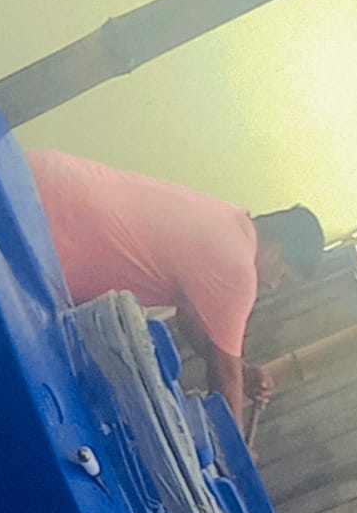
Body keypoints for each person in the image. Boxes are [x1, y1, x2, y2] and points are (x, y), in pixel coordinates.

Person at [27, 148, 325, 427]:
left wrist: (244, 371)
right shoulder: (238, 268)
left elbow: (191, 318)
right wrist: (236, 450)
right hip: (43, 230)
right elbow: (224, 372)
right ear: (275, 252)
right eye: (281, 276)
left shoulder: (228, 221)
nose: (272, 285)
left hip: (37, 177)